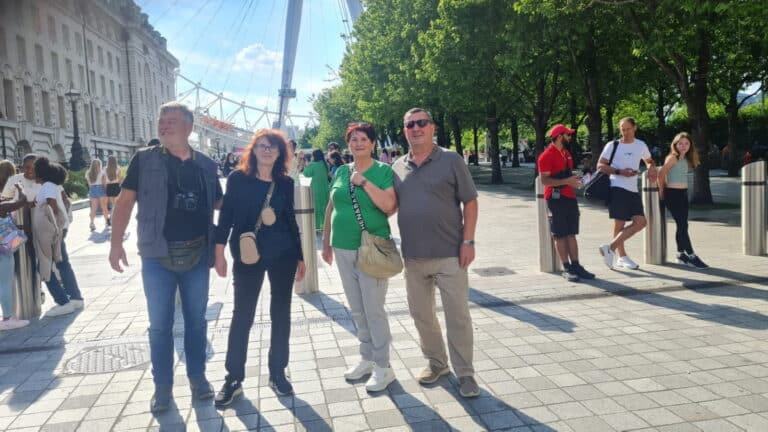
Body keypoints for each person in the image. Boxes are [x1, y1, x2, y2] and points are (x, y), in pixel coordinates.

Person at [109, 102, 222, 413]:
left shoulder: (206, 164)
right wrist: (115, 243)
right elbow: (125, 202)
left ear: (189, 127)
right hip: (156, 256)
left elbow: (220, 204)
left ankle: (198, 378)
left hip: (197, 254)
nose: (164, 126)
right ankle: (163, 387)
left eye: (172, 121)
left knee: (197, 322)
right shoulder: (144, 160)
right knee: (159, 325)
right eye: (161, 121)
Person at [213, 129, 306, 407]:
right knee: (243, 314)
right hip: (248, 255)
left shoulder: (285, 183)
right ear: (253, 150)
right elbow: (226, 217)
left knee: (281, 313)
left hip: (283, 255)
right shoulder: (238, 179)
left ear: (280, 153)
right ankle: (234, 377)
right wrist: (218, 253)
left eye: (273, 147)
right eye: (262, 146)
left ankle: (277, 372)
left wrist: (301, 256)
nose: (267, 151)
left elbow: (290, 220)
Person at [392, 108, 480, 398]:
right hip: (414, 257)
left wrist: (468, 242)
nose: (416, 128)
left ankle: (465, 373)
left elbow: (470, 202)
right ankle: (437, 363)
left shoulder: (451, 159)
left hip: (450, 254)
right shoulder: (396, 167)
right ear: (404, 131)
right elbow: (388, 205)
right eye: (410, 125)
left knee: (458, 316)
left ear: (432, 127)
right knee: (421, 315)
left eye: (421, 123)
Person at [321, 122, 398, 392]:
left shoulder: (383, 171)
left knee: (374, 309)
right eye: (353, 139)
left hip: (371, 249)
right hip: (341, 247)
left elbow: (389, 206)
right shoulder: (341, 170)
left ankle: (383, 366)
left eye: (364, 139)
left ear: (373, 144)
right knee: (356, 308)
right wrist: (326, 242)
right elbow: (332, 206)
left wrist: (364, 182)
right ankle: (366, 357)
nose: (358, 143)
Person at [597, 117, 657, 270]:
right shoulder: (612, 145)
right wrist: (620, 171)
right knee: (620, 222)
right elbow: (600, 165)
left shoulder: (640, 145)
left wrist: (650, 167)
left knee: (641, 222)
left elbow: (649, 160)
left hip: (633, 188)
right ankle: (621, 256)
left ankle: (610, 248)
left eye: (628, 129)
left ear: (634, 128)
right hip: (617, 186)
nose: (625, 132)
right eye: (622, 129)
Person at [537, 125, 595, 282]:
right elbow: (545, 180)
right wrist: (566, 181)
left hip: (569, 197)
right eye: (567, 135)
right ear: (559, 136)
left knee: (571, 233)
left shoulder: (566, 153)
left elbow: (567, 175)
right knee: (560, 234)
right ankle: (566, 267)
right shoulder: (546, 156)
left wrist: (577, 179)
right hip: (555, 199)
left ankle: (576, 265)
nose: (570, 137)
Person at [33, 157, 84, 317]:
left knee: (44, 265)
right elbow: (66, 202)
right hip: (60, 229)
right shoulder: (56, 185)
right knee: (62, 263)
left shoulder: (47, 186)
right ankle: (75, 298)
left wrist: (53, 226)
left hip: (51, 231)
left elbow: (51, 206)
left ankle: (63, 301)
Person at [658, 132, 708, 269]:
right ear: (675, 144)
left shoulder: (686, 159)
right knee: (682, 225)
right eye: (680, 143)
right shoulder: (672, 157)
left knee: (682, 225)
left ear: (690, 145)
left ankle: (681, 254)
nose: (683, 146)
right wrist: (662, 192)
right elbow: (661, 173)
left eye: (686, 143)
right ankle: (691, 255)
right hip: (672, 195)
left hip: (682, 194)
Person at [0, 160, 32, 330]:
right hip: (3, 249)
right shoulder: (3, 206)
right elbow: (23, 200)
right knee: (5, 283)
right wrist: (19, 187)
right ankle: (7, 319)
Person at [302, 149, 330, 231]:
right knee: (325, 207)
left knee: (316, 208)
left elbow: (306, 174)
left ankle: (317, 226)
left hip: (316, 189)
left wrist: (306, 165)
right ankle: (327, 226)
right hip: (325, 188)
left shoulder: (313, 165)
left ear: (314, 156)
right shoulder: (325, 164)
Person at [86, 159, 109, 232]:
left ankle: (92, 223)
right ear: (100, 165)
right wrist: (106, 191)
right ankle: (106, 221)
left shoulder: (88, 173)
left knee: (93, 208)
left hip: (92, 189)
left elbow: (89, 184)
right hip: (101, 188)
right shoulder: (102, 173)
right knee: (104, 207)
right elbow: (104, 184)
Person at [105, 156, 122, 224]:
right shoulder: (118, 168)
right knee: (116, 204)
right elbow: (119, 179)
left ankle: (111, 217)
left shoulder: (105, 169)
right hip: (116, 186)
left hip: (109, 186)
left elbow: (104, 180)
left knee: (114, 204)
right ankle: (115, 217)